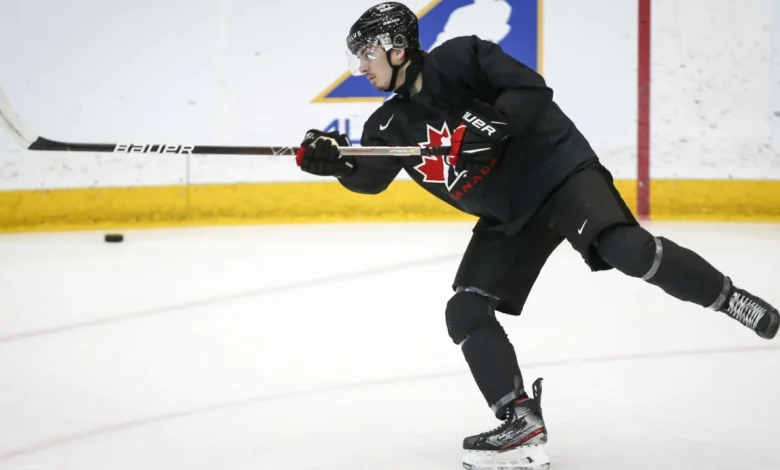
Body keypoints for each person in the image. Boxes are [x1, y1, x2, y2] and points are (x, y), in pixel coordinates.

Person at [294, 3, 779, 469]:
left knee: (625, 248)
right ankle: (520, 419)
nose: (361, 67)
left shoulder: (461, 57)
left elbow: (529, 90)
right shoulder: (389, 124)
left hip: (559, 174)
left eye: (367, 54)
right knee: (465, 310)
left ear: (397, 49)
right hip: (510, 217)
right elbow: (368, 177)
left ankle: (730, 298)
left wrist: (488, 126)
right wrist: (336, 161)